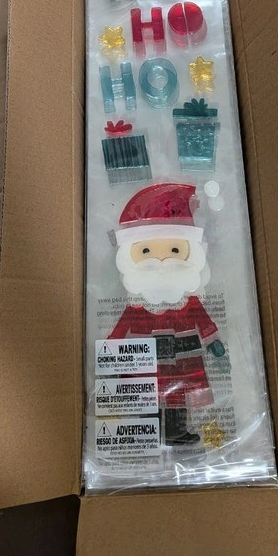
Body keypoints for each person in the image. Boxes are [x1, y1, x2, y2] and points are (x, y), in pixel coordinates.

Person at [108, 183, 226, 445]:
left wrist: (213, 341)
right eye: (146, 251)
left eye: (174, 250)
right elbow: (123, 325)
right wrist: (111, 349)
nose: (161, 262)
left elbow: (203, 320)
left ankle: (175, 433)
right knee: (146, 392)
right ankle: (146, 430)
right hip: (145, 356)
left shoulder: (189, 299)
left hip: (183, 356)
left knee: (177, 395)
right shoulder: (137, 303)